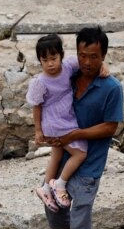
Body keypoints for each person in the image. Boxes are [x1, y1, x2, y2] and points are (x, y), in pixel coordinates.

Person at [43, 26, 124, 229]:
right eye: (83, 56)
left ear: (103, 56)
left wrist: (76, 133)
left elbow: (110, 127)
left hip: (88, 166)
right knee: (54, 213)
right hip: (60, 158)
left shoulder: (111, 87)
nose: (88, 62)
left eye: (94, 57)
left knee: (80, 224)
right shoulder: (68, 75)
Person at [27, 35, 89, 211]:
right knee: (80, 153)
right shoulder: (40, 82)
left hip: (65, 117)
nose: (50, 64)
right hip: (55, 123)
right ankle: (60, 183)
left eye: (53, 58)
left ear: (61, 55)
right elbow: (36, 107)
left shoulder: (68, 67)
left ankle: (46, 188)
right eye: (45, 60)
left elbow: (85, 61)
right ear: (40, 61)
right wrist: (38, 130)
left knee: (56, 155)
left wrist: (104, 67)